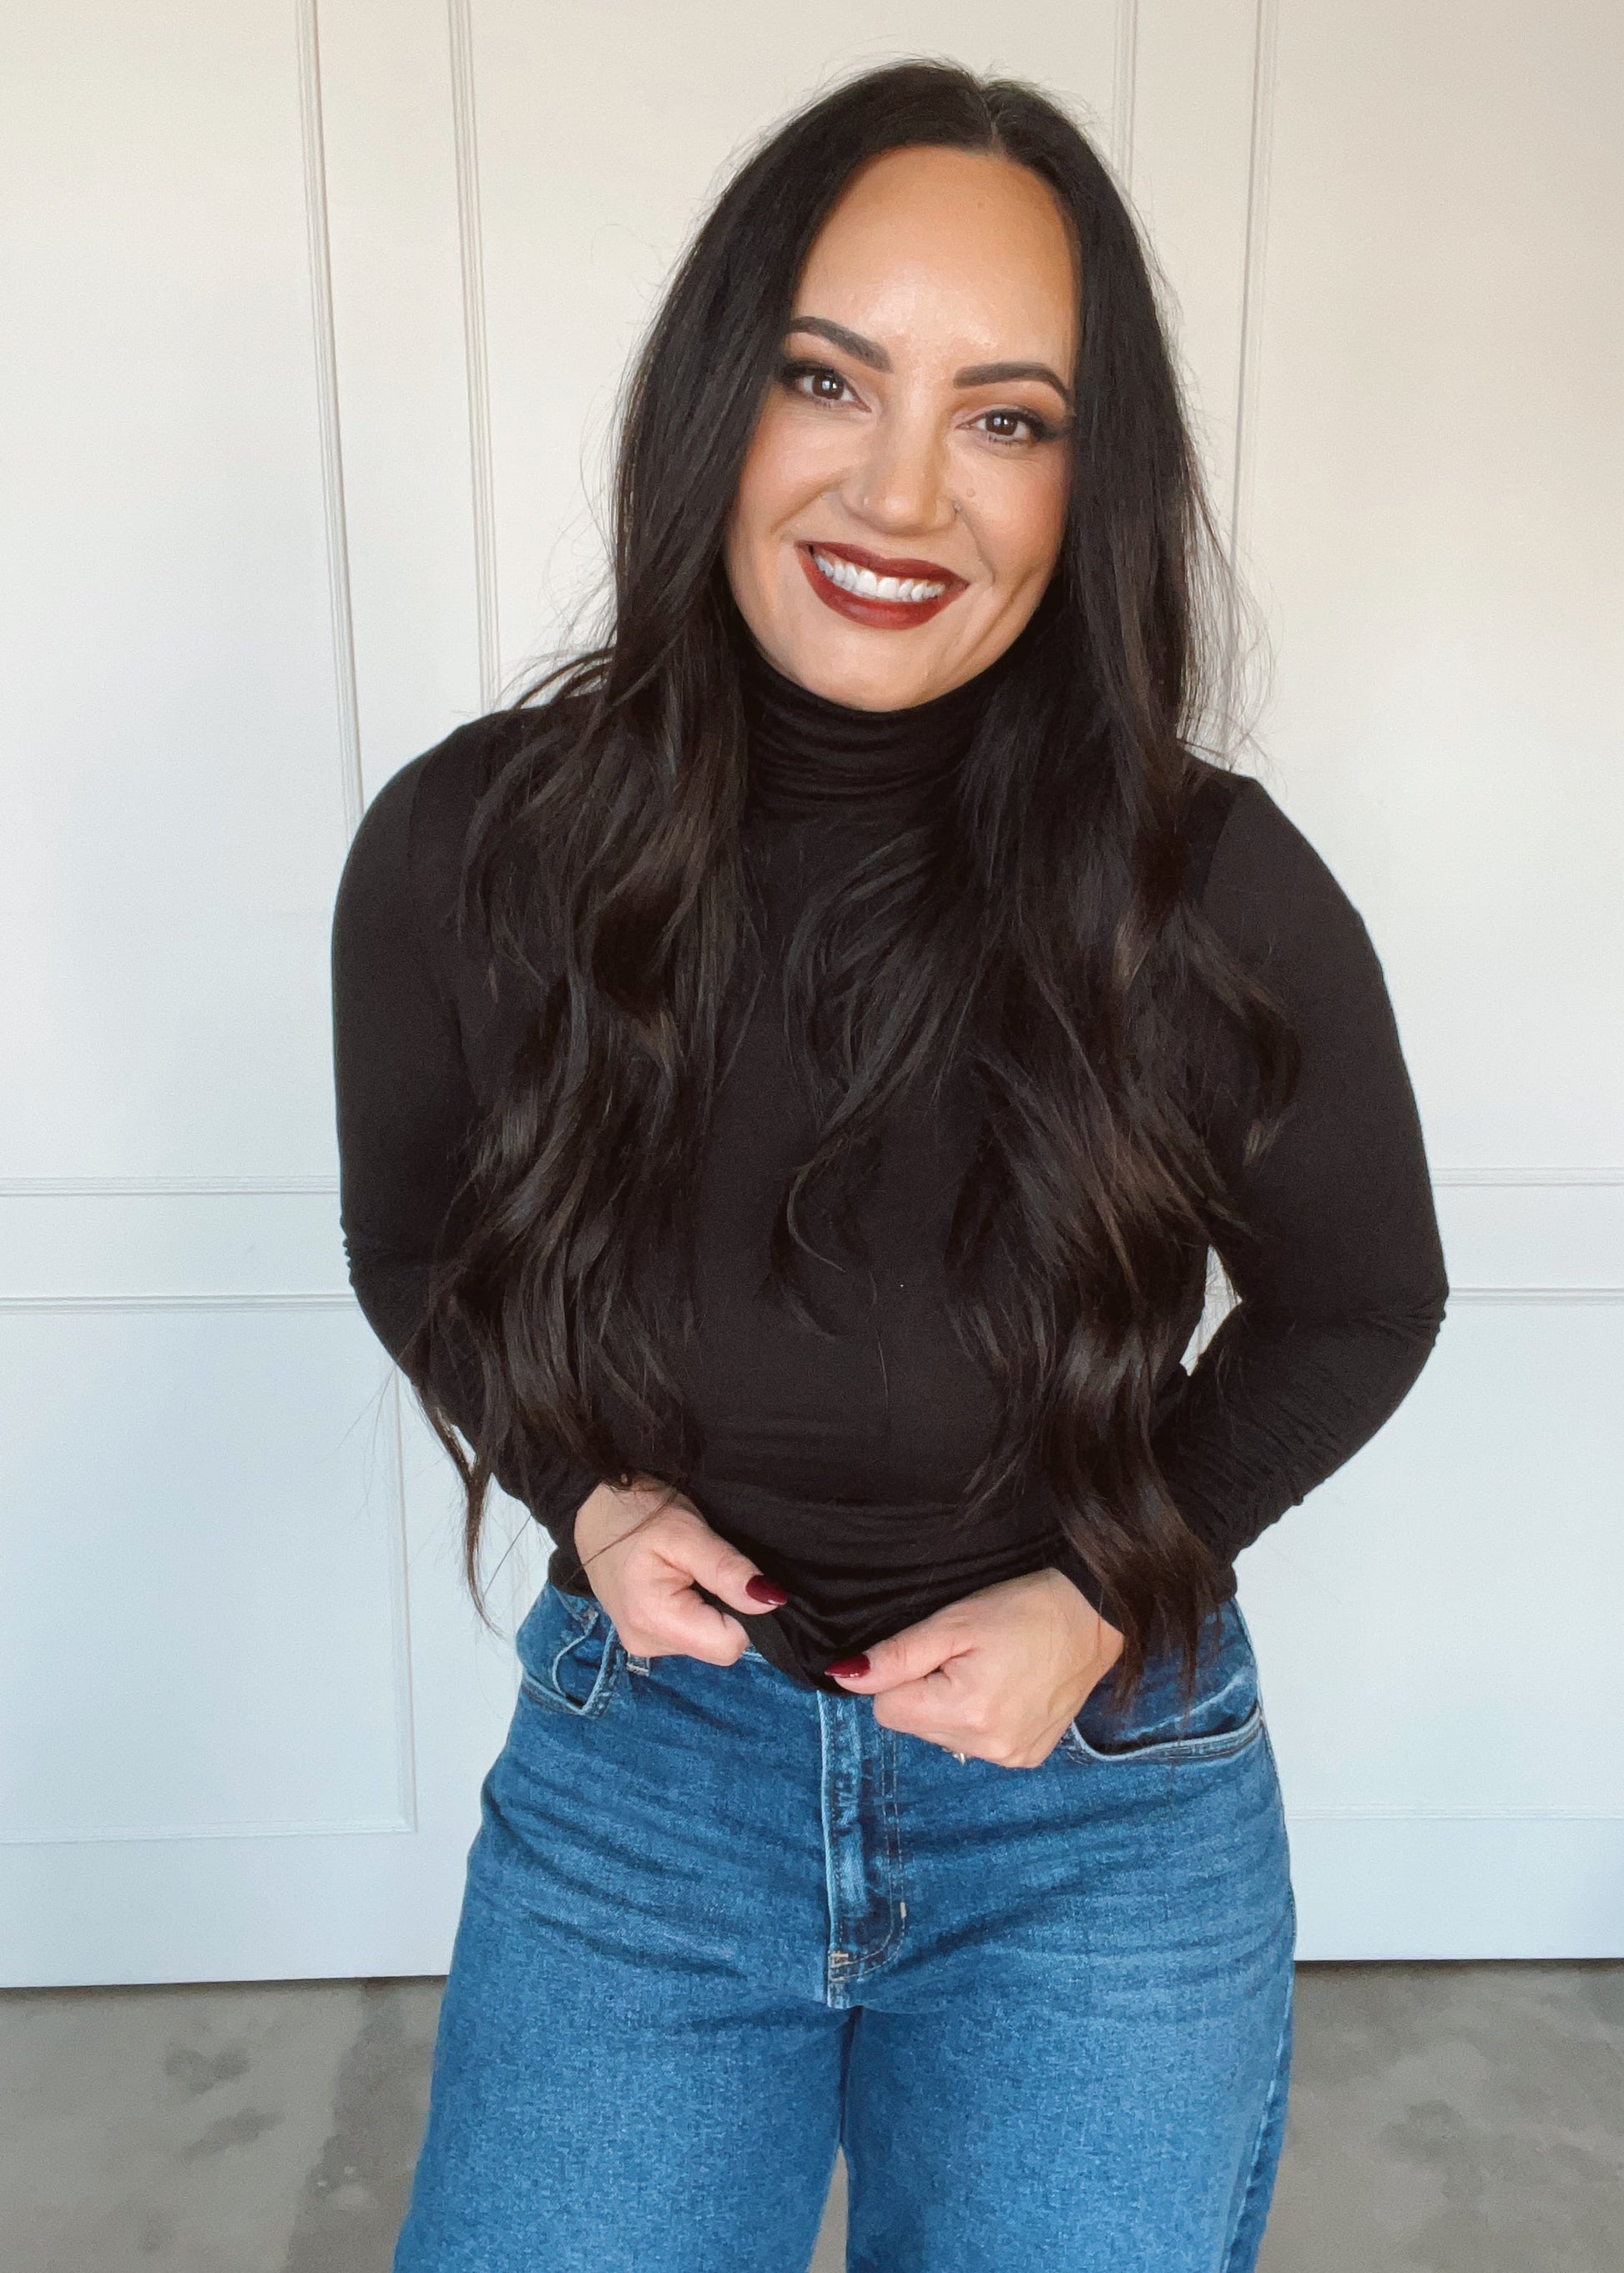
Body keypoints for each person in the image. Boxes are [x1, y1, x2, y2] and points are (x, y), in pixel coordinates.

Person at [330, 60, 1446, 2273]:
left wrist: (1103, 1586)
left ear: (1083, 484)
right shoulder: (475, 846)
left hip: (1095, 1807)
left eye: (1006, 416)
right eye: (826, 377)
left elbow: (1357, 1297)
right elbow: (415, 1234)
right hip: (648, 1783)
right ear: (714, 399)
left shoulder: (1204, 886)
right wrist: (586, 1488)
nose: (901, 488)